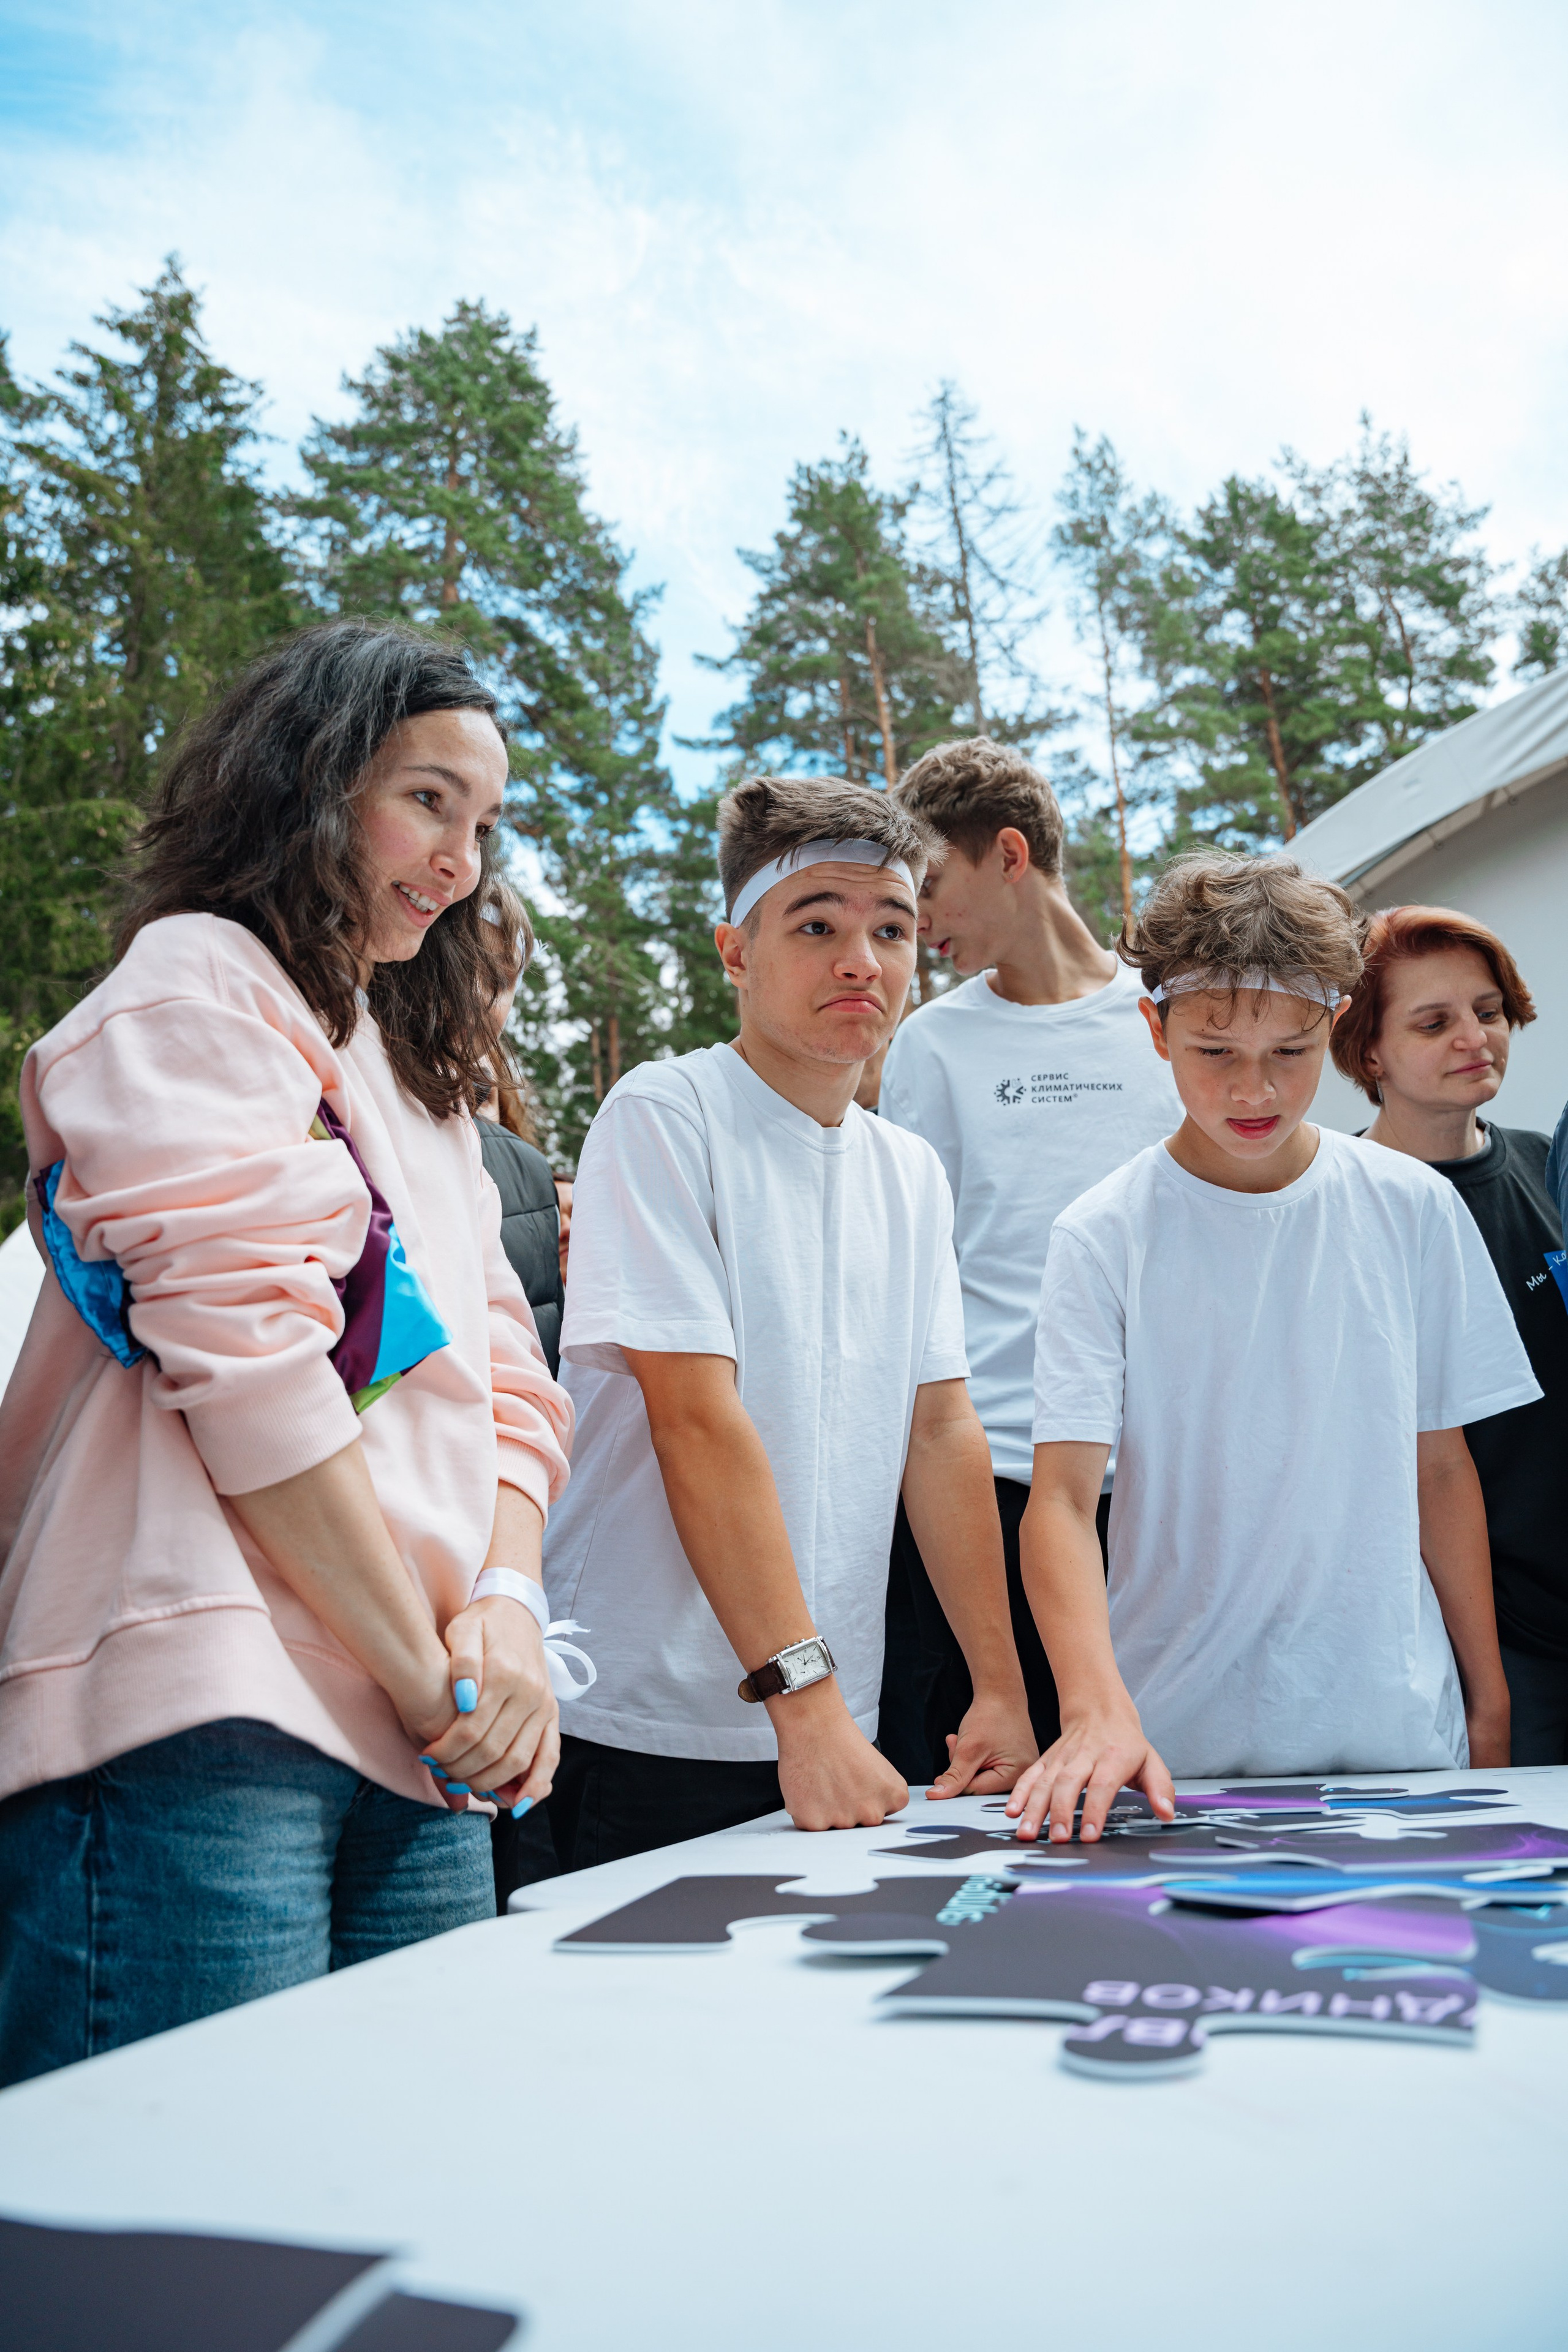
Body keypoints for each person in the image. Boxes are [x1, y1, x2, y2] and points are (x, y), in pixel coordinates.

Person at [0, 620, 573, 2086]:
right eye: (427, 799)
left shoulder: (421, 1081)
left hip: (423, 1732)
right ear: (310, 781)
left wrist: (501, 1611)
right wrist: (437, 1678)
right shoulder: (200, 982)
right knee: (174, 2241)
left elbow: (505, 1376)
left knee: (401, 2190)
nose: (459, 860)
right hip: (215, 1707)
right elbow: (249, 1361)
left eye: (484, 824)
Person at [537, 774, 1036, 1865]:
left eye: (892, 928)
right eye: (817, 925)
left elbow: (942, 1430)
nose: (861, 959)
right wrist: (804, 1708)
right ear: (735, 952)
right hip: (641, 1722)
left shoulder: (909, 1171)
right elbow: (695, 1421)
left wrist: (997, 1683)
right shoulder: (668, 1113)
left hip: (831, 1726)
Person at [1005, 851, 1540, 1847]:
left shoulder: (1411, 1206)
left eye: (1289, 1053)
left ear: (1335, 1023)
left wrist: (1491, 1698)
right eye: (1214, 1052)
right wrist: (1090, 1705)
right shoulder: (1104, 1233)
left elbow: (1441, 1469)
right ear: (1155, 1028)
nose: (1253, 1089)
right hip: (1175, 1752)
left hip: (1398, 1741)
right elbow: (1064, 1503)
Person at [875, 738, 1179, 1781]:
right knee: (1003, 1792)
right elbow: (916, 1274)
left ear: (1009, 853)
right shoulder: (934, 1044)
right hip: (994, 1479)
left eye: (928, 889)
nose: (918, 926)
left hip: (1159, 1479)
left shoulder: (1173, 1018)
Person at [1331, 906, 1568, 1763]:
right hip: (1472, 1644)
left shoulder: (1552, 1166)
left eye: (1488, 1010)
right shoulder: (1342, 1212)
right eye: (1434, 1022)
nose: (1475, 1037)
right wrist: (1485, 1690)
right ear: (1368, 1050)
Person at [475, 884, 565, 1378]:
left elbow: (544, 1352)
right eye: (458, 963)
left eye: (502, 979)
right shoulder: (343, 1116)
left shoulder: (530, 1173)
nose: (480, 995)